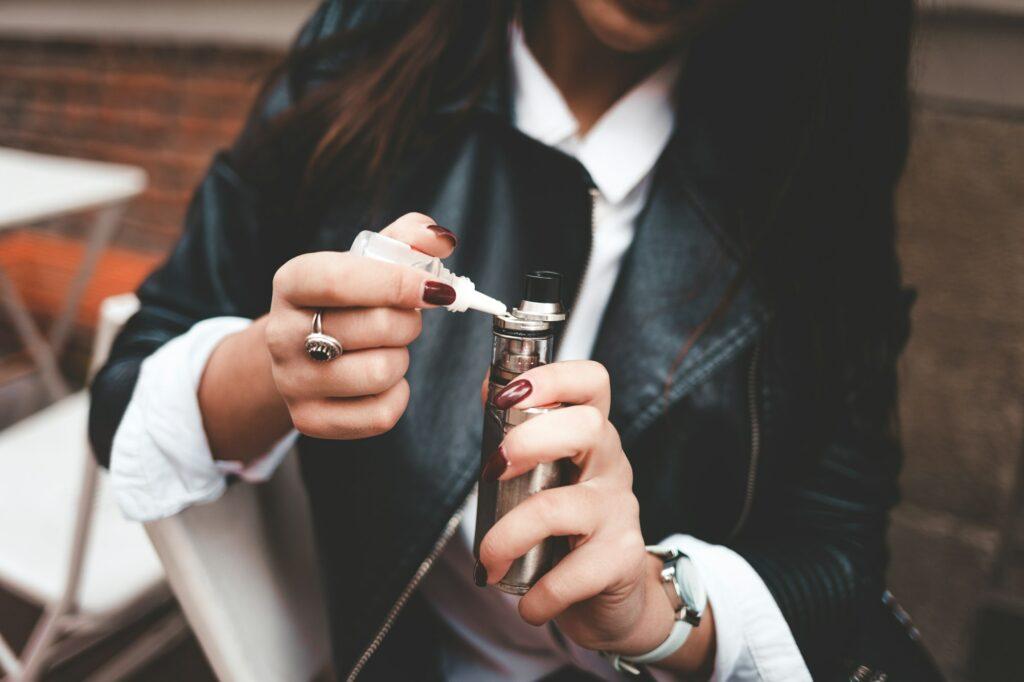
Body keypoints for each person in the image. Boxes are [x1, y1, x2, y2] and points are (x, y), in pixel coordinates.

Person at [89, 0, 940, 679]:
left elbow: (837, 555)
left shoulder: (818, 168)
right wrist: (277, 368)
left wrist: (656, 608)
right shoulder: (362, 56)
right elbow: (126, 393)